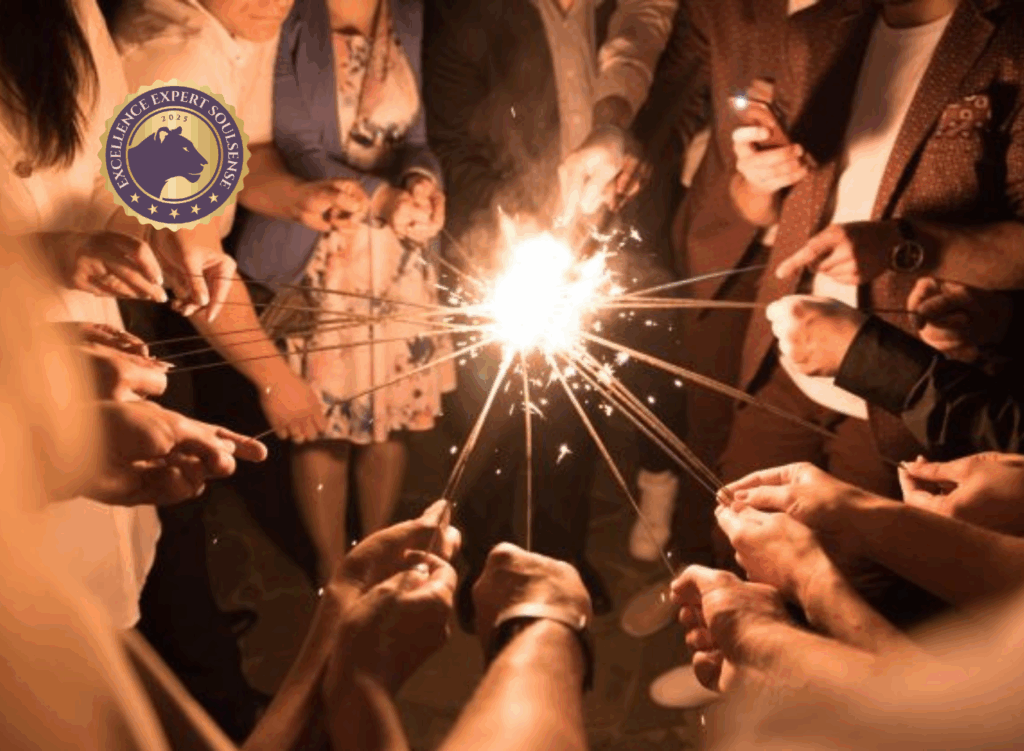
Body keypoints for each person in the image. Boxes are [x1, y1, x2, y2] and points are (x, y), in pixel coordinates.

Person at [425, 0, 678, 626]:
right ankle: (484, 568)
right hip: (497, 254)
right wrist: (518, 213)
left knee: (569, 421)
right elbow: (449, 142)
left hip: (596, 252)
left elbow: (659, 86)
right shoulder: (466, 13)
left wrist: (633, 155)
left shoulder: (624, 9)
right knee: (488, 426)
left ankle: (561, 563)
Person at [721, 0, 1024, 502]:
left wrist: (903, 245)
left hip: (911, 395)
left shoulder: (1011, 40)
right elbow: (757, 208)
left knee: (850, 551)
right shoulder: (813, 32)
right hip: (785, 369)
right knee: (732, 532)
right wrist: (756, 177)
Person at [233, 0, 452, 577]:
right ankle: (334, 573)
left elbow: (415, 133)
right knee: (321, 430)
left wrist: (422, 178)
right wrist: (382, 197)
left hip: (397, 262)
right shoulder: (283, 10)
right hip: (320, 253)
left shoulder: (406, 10)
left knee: (389, 423)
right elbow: (294, 144)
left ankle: (374, 559)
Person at [767, 293, 1024, 458]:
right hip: (784, 381)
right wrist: (1002, 318)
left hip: (896, 428)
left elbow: (1011, 443)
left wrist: (868, 357)